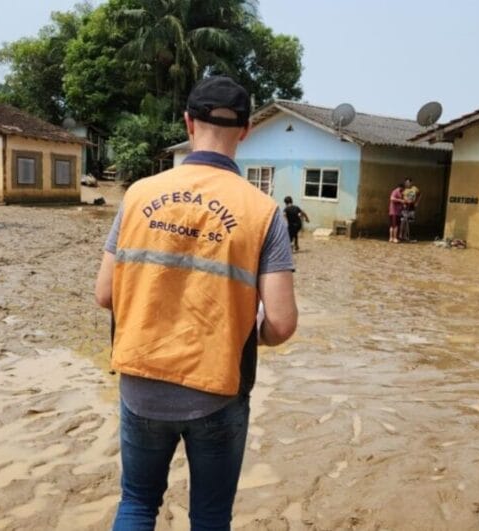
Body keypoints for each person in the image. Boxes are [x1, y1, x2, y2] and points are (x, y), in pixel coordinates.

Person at [94, 75, 298, 530]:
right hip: (219, 388)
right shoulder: (263, 211)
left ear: (188, 123)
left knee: (137, 504)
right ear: (245, 130)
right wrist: (244, 331)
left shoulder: (138, 195)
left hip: (140, 381)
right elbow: (282, 324)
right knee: (209, 516)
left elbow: (105, 294)